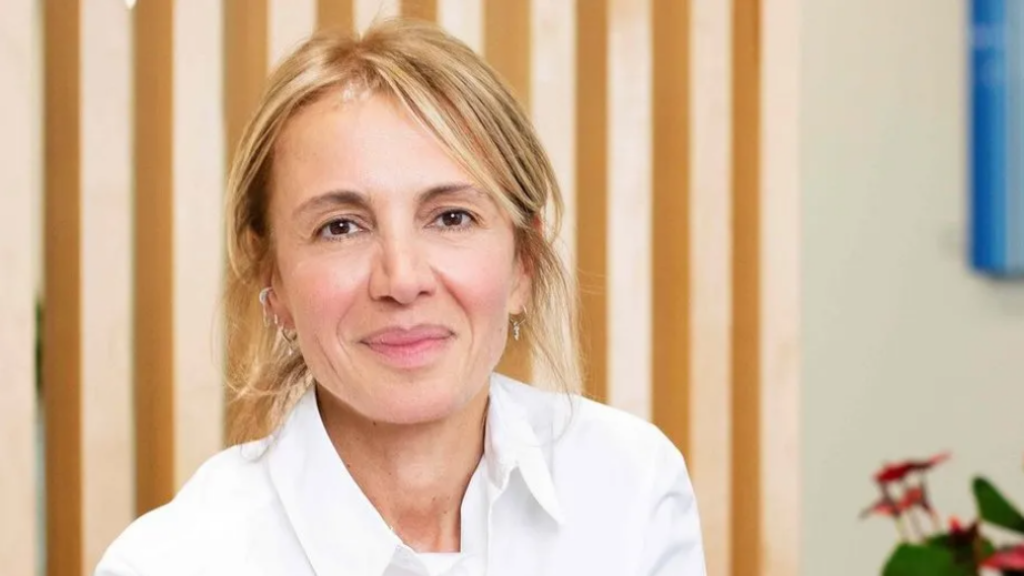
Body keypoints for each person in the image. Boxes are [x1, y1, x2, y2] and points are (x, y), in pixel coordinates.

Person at [96, 18, 706, 576]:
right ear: (273, 282)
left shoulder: (633, 492)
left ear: (522, 262)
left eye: (451, 217)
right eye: (341, 226)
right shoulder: (171, 561)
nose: (402, 278)